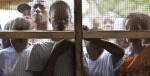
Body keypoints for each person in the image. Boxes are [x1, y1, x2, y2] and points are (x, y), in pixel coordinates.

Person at [26, 1, 89, 76]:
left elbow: (85, 74)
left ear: (70, 19)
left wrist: (76, 54)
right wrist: (55, 53)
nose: (61, 21)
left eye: (66, 18)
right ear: (49, 20)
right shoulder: (38, 48)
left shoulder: (74, 45)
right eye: (56, 18)